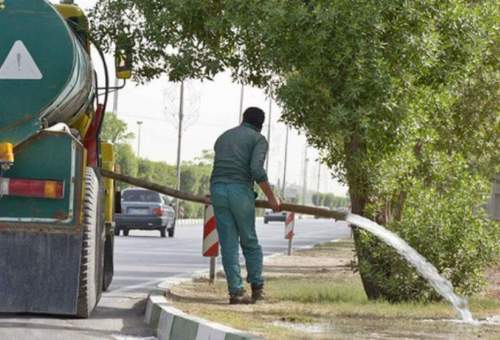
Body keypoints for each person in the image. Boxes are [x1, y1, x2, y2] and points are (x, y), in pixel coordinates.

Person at [209, 107, 280, 304]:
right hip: (239, 191)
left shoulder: (223, 137)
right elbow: (256, 170)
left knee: (229, 244)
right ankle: (257, 288)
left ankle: (236, 292)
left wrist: (215, 191)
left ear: (243, 119)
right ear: (261, 124)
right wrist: (272, 197)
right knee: (249, 240)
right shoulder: (258, 139)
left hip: (217, 190)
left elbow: (219, 167)